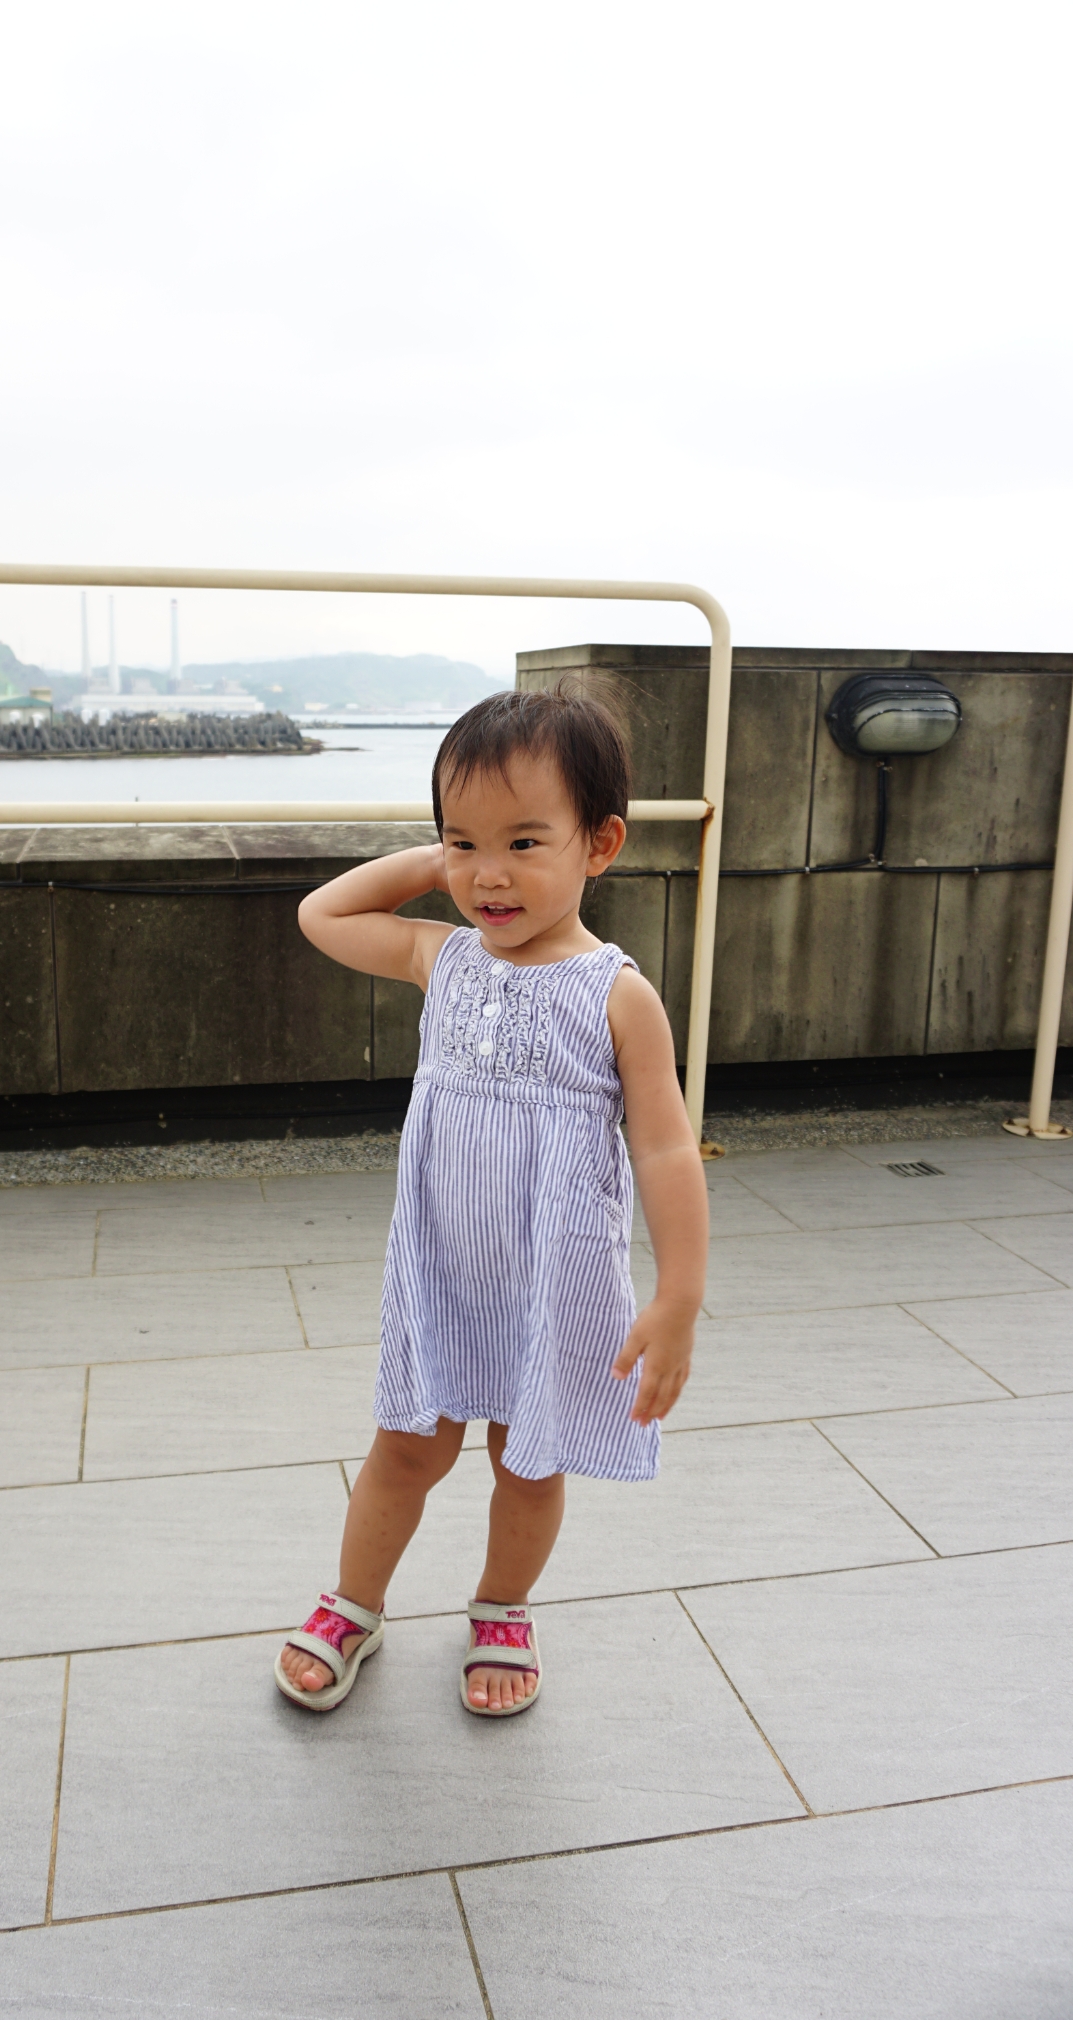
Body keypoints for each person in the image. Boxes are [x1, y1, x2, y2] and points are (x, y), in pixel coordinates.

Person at [275, 684, 708, 1717]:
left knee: (526, 1455)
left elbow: (664, 1145)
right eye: (464, 843)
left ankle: (503, 1605)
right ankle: (354, 1602)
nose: (489, 874)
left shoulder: (617, 993)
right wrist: (440, 863)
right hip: (443, 1267)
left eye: (523, 841)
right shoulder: (441, 957)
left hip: (552, 1274)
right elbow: (321, 913)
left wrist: (679, 1293)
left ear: (599, 844)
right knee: (407, 1444)